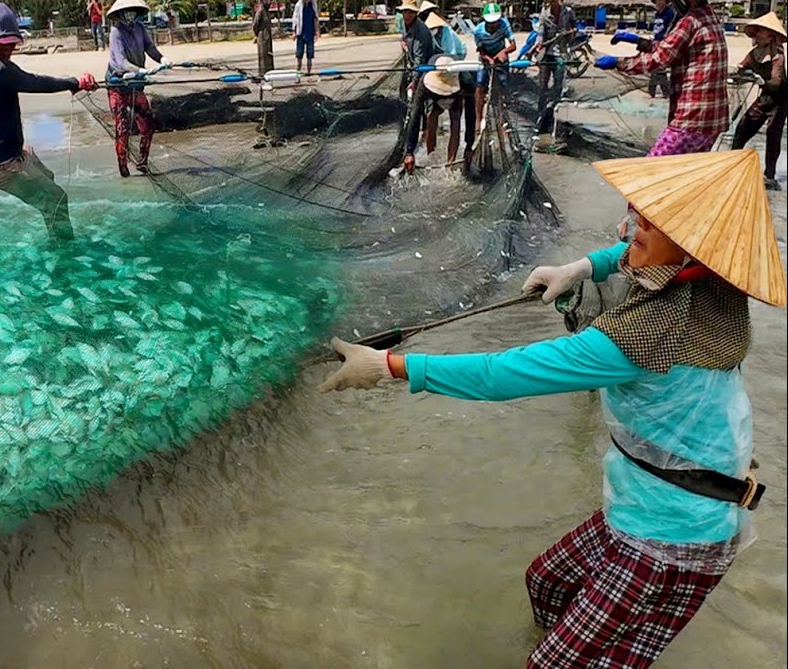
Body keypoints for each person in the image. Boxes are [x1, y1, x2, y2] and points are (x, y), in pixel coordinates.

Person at [319, 148, 783, 668]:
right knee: (547, 579)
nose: (630, 230)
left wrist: (390, 367)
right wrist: (579, 267)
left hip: (673, 538)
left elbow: (502, 375)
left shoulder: (641, 335)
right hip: (661, 495)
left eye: (648, 224)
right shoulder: (715, 283)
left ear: (693, 250)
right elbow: (630, 253)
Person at [0, 2, 97, 241]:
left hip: (12, 154)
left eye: (12, 44)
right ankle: (66, 256)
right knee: (58, 198)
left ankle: (55, 236)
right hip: (1, 168)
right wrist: (75, 82)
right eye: (2, 44)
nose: (8, 50)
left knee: (47, 178)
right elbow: (36, 83)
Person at [596, 0, 729, 156]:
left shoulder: (690, 21)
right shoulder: (712, 18)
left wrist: (618, 62)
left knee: (654, 169)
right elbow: (672, 49)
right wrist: (639, 42)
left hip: (691, 117)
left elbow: (659, 59)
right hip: (714, 120)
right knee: (683, 175)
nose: (674, 4)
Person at [106, 0, 171, 177]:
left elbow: (150, 48)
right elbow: (120, 61)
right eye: (126, 12)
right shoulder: (116, 32)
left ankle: (143, 161)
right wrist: (140, 70)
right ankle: (123, 169)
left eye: (132, 11)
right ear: (119, 14)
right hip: (118, 84)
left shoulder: (140, 29)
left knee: (148, 122)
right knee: (122, 127)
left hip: (135, 86)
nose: (130, 15)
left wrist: (162, 59)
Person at [731, 11, 786, 190]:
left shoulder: (778, 55)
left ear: (771, 36)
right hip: (764, 98)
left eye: (762, 31)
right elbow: (742, 66)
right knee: (743, 128)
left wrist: (761, 81)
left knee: (773, 135)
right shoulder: (754, 53)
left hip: (780, 100)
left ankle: (769, 175)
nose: (758, 34)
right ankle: (732, 164)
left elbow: (776, 83)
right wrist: (738, 72)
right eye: (757, 31)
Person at [398, 0, 435, 173]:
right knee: (417, 109)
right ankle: (424, 133)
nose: (407, 15)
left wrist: (413, 82)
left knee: (415, 109)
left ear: (415, 13)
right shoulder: (405, 24)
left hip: (426, 71)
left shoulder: (420, 32)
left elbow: (420, 61)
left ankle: (410, 151)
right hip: (415, 68)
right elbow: (404, 37)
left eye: (410, 12)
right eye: (405, 11)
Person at [472, 2, 516, 148]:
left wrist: (503, 52)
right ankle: (478, 119)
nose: (493, 25)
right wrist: (489, 59)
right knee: (479, 85)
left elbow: (513, 45)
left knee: (502, 88)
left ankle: (502, 119)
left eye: (495, 22)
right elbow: (480, 50)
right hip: (486, 58)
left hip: (501, 57)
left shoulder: (504, 24)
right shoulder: (478, 31)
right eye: (490, 23)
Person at [422, 55, 476, 172]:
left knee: (456, 122)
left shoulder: (467, 82)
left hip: (455, 94)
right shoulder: (426, 81)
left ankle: (450, 165)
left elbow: (470, 116)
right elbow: (415, 115)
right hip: (434, 91)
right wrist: (410, 152)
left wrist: (469, 146)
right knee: (430, 118)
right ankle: (430, 159)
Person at [535, 0, 576, 134]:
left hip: (561, 52)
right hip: (547, 52)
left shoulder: (568, 12)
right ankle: (540, 114)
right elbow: (540, 33)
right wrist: (539, 44)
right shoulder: (544, 14)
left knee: (558, 84)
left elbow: (574, 28)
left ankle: (553, 110)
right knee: (543, 86)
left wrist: (571, 33)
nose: (551, 1)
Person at [648, 0, 678, 99]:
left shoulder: (670, 13)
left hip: (663, 43)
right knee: (655, 67)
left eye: (660, 0)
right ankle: (659, 91)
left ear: (665, 1)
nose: (658, 3)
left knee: (659, 67)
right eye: (657, 1)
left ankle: (658, 91)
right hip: (655, 42)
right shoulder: (657, 14)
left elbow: (672, 27)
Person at [292, 0, 321, 74]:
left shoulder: (312, 7)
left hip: (310, 34)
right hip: (301, 34)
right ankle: (298, 73)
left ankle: (309, 72)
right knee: (299, 55)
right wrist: (294, 32)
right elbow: (295, 19)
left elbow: (315, 19)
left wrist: (317, 31)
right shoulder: (298, 6)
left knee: (310, 55)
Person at [253, 0, 276, 77]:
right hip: (262, 37)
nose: (269, 2)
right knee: (263, 56)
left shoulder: (267, 11)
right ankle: (263, 75)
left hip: (267, 37)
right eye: (267, 0)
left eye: (270, 0)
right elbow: (255, 25)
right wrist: (257, 35)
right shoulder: (260, 11)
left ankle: (269, 73)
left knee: (269, 55)